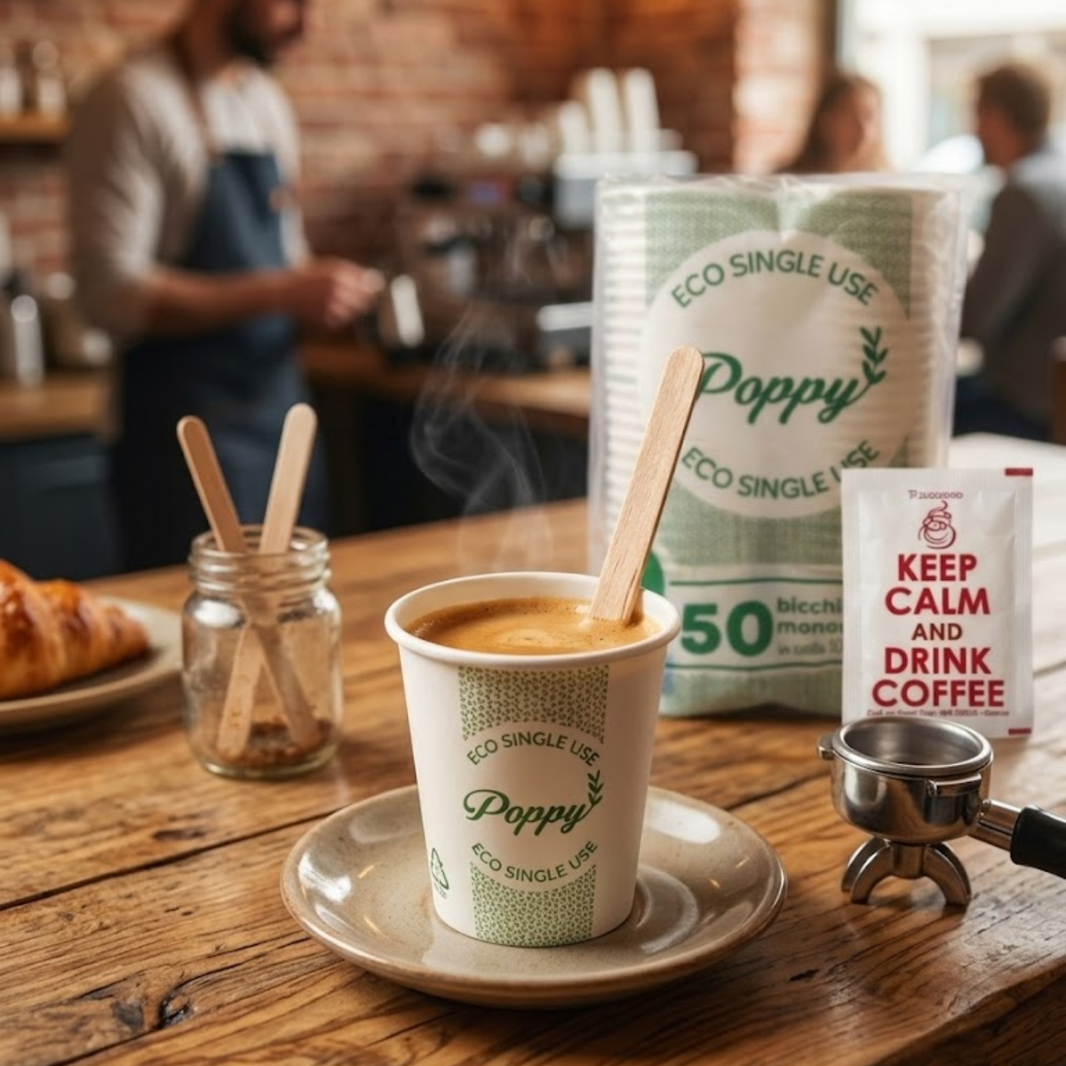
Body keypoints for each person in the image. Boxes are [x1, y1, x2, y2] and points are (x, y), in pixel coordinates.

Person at [67, 0, 383, 571]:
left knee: (297, 608)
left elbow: (285, 258)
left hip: (280, 427)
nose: (307, 25)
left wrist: (325, 293)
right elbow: (109, 294)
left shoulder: (263, 102)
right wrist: (285, 292)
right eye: (293, 3)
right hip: (183, 445)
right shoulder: (130, 99)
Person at [953, 60, 1066, 441]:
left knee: (904, 413)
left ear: (995, 117)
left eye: (977, 115)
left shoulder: (1024, 194)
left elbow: (974, 319)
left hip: (1029, 405)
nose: (974, 131)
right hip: (1050, 395)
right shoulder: (1057, 175)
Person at [777, 69, 889, 174]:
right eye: (848, 116)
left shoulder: (887, 185)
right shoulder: (785, 184)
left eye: (869, 117)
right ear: (824, 119)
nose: (862, 128)